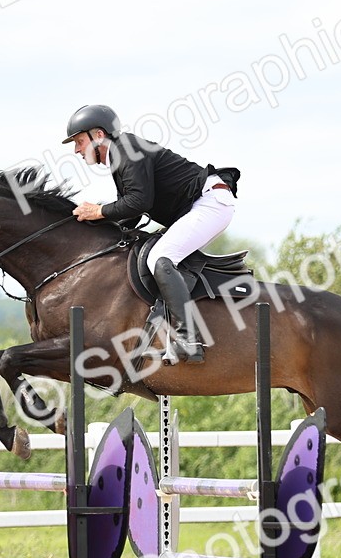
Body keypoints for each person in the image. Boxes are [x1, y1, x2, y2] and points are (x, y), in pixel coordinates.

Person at [62, 104, 239, 364]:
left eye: (79, 141)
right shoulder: (119, 155)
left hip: (211, 202)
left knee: (160, 257)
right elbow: (132, 212)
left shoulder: (127, 150)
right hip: (199, 206)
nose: (77, 150)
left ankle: (187, 340)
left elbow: (139, 202)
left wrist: (99, 211)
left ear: (98, 135)